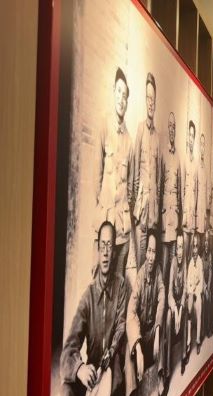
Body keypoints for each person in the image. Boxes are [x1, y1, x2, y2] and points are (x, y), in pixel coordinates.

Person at [58, 221, 128, 396]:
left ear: (114, 251)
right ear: (98, 251)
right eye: (102, 246)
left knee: (117, 372)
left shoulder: (121, 287)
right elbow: (68, 350)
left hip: (113, 371)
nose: (106, 252)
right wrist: (80, 368)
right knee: (67, 392)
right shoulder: (87, 297)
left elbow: (121, 325)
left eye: (110, 246)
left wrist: (111, 352)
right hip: (93, 374)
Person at [122, 230, 165, 396]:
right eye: (148, 251)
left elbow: (162, 299)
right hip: (141, 337)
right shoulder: (139, 277)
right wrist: (137, 346)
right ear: (145, 252)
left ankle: (161, 378)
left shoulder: (158, 273)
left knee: (163, 329)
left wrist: (157, 329)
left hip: (151, 335)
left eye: (154, 252)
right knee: (128, 356)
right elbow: (131, 313)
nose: (150, 256)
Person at [93, 67, 133, 277]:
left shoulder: (129, 141)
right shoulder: (103, 126)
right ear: (113, 92)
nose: (121, 99)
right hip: (105, 224)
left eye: (125, 95)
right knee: (100, 281)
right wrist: (103, 208)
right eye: (119, 92)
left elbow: (131, 188)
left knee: (118, 282)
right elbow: (96, 177)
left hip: (123, 232)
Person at [131, 72, 161, 269]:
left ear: (156, 102)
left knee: (151, 265)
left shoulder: (157, 137)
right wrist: (135, 207)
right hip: (141, 212)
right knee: (141, 264)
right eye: (148, 98)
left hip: (153, 216)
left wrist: (156, 209)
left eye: (153, 99)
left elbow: (157, 180)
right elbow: (135, 171)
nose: (151, 102)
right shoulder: (140, 129)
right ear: (145, 100)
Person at [162, 230, 187, 396]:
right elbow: (169, 291)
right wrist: (174, 309)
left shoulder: (185, 263)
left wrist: (180, 308)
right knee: (168, 320)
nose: (179, 251)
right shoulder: (172, 263)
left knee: (184, 316)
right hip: (173, 304)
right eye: (177, 247)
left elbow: (185, 291)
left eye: (181, 247)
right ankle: (167, 373)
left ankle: (184, 355)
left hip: (182, 304)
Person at [160, 112, 182, 288]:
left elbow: (180, 192)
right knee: (164, 262)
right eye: (170, 126)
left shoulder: (178, 158)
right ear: (168, 129)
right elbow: (159, 186)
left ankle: (171, 296)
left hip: (174, 220)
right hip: (164, 220)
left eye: (174, 127)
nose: (172, 130)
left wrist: (179, 219)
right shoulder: (163, 155)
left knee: (174, 264)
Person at [183, 231, 204, 368]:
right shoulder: (190, 263)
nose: (195, 250)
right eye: (193, 247)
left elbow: (201, 282)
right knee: (189, 315)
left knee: (199, 309)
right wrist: (191, 291)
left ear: (198, 248)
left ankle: (198, 341)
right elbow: (189, 281)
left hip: (197, 293)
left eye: (197, 246)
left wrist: (197, 291)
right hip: (191, 293)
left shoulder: (200, 262)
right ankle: (189, 342)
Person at [182, 120, 198, 265]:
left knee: (191, 257)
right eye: (189, 135)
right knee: (183, 257)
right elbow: (182, 190)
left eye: (193, 136)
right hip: (184, 220)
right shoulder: (184, 159)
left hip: (193, 220)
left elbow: (196, 193)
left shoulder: (195, 164)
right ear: (187, 137)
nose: (191, 139)